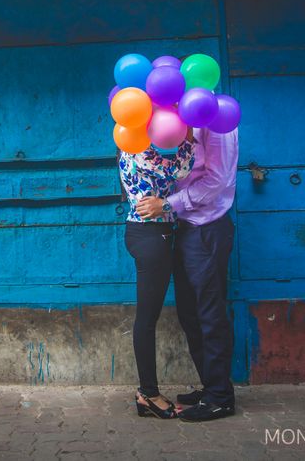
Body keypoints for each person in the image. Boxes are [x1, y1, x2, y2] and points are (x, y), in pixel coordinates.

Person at [136, 126, 238, 422]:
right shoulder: (185, 121)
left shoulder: (217, 121)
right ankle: (211, 386)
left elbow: (217, 181)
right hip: (187, 226)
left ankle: (220, 398)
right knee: (189, 312)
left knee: (209, 312)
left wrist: (167, 204)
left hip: (207, 227)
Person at [117, 137, 194, 419]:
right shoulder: (136, 147)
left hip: (154, 234)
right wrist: (188, 138)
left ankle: (147, 392)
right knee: (147, 319)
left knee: (149, 317)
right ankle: (148, 393)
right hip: (150, 235)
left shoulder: (140, 146)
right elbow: (180, 170)